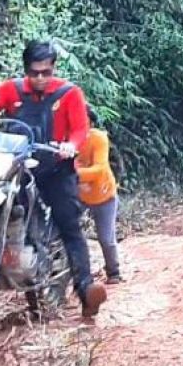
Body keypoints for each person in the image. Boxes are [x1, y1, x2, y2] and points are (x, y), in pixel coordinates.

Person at [0, 39, 107, 318]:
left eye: (46, 72)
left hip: (55, 169)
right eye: (34, 72)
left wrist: (70, 146)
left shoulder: (69, 93)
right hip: (16, 167)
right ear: (26, 69)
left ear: (53, 69)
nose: (40, 78)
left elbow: (80, 130)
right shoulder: (11, 90)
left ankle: (86, 289)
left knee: (69, 225)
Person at [77, 108, 121, 284]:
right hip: (78, 194)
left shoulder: (98, 138)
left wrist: (73, 173)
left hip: (103, 195)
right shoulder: (65, 138)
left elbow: (99, 169)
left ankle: (114, 271)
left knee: (105, 237)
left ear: (91, 123)